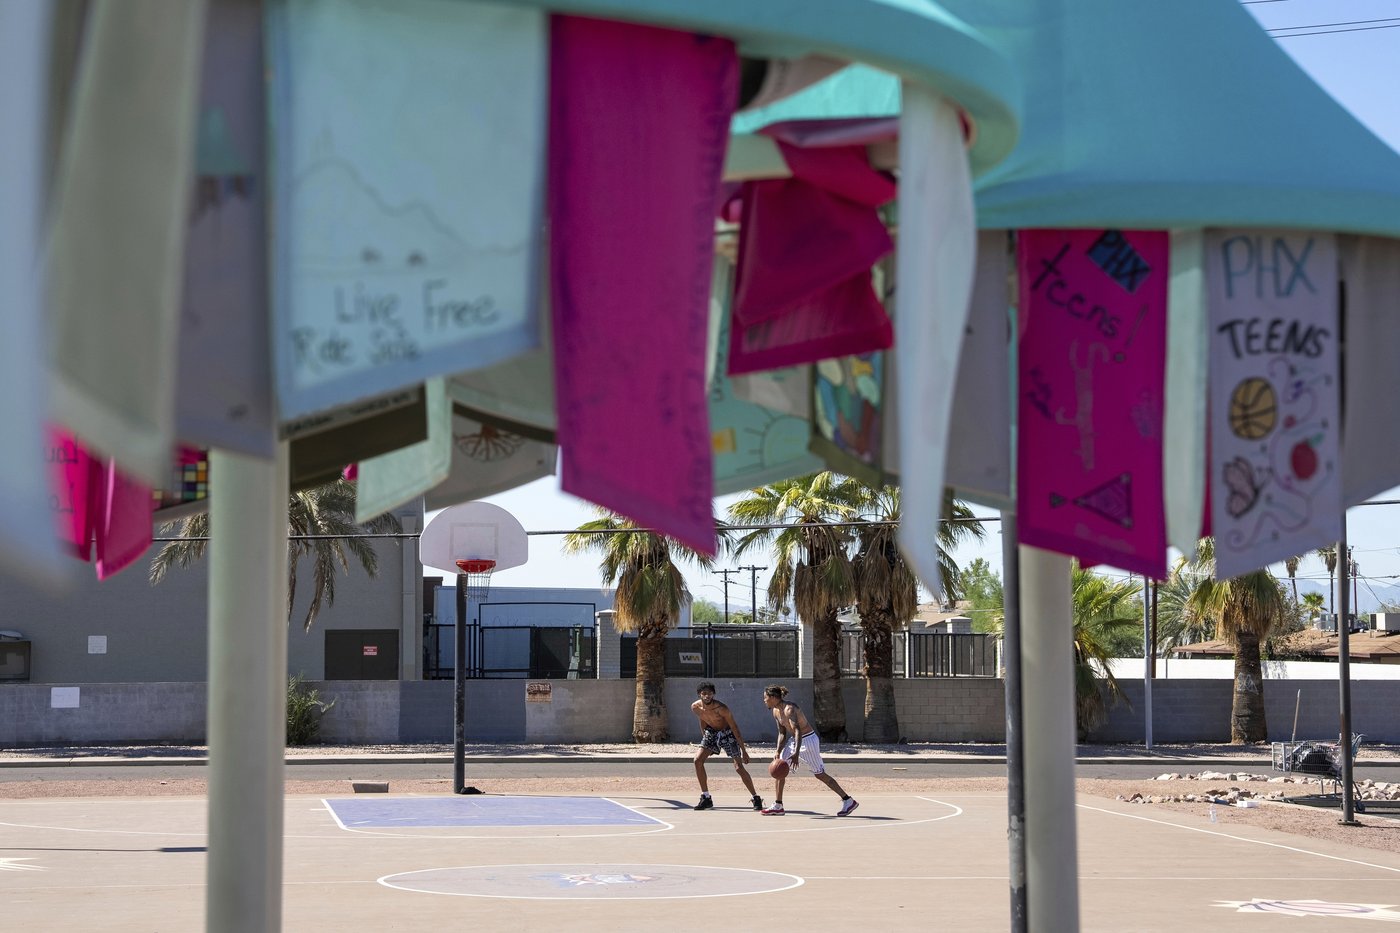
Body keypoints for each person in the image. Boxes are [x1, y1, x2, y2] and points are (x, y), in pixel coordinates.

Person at [760, 684, 858, 817]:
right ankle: (778, 805)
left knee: (820, 774)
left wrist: (796, 753)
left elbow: (797, 731)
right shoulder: (775, 711)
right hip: (795, 741)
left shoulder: (790, 709)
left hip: (808, 740)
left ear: (773, 697)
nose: (764, 700)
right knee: (779, 769)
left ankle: (848, 800)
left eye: (765, 698)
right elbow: (782, 733)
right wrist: (778, 751)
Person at [691, 681, 763, 811]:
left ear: (714, 694)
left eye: (710, 693)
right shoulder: (696, 707)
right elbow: (703, 720)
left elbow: (735, 727)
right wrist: (706, 741)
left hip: (727, 733)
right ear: (699, 694)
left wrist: (744, 751)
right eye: (704, 693)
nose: (707, 696)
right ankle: (706, 797)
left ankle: (755, 797)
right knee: (697, 760)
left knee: (738, 767)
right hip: (711, 732)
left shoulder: (721, 708)